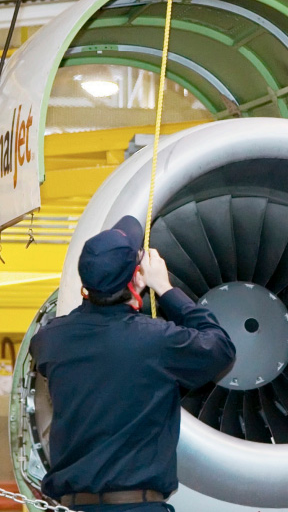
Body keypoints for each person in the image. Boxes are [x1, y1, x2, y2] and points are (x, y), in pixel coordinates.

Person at [30, 216, 236, 511]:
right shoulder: (157, 341)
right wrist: (165, 289)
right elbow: (221, 348)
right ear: (136, 280)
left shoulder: (50, 340)